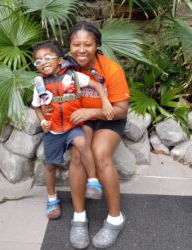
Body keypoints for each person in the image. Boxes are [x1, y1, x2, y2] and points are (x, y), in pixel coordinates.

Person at [42, 22, 130, 248]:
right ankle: (79, 217)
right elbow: (45, 93)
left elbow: (121, 110)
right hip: (80, 119)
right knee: (79, 153)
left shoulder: (111, 69)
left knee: (100, 154)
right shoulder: (63, 68)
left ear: (97, 45)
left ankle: (115, 218)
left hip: (109, 118)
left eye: (87, 45)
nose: (82, 50)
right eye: (76, 44)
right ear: (69, 46)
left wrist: (93, 110)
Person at [31, 40, 114, 220]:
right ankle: (52, 198)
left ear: (59, 60)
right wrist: (42, 120)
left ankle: (93, 181)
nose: (43, 63)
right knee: (50, 165)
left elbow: (97, 85)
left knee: (82, 142)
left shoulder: (74, 77)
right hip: (52, 130)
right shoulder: (39, 85)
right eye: (38, 61)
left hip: (72, 125)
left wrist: (105, 101)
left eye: (47, 58)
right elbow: (37, 107)